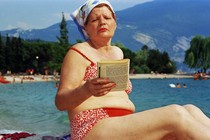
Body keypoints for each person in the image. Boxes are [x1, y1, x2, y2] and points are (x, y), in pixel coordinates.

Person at [55, 0, 210, 139]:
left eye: (107, 18)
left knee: (191, 110)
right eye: (95, 19)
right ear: (86, 28)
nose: (102, 22)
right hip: (92, 124)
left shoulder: (118, 53)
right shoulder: (78, 52)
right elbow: (60, 102)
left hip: (121, 123)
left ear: (115, 23)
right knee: (175, 114)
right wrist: (86, 89)